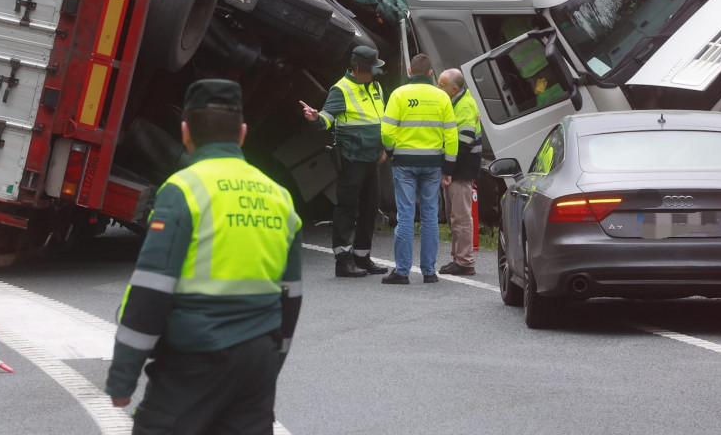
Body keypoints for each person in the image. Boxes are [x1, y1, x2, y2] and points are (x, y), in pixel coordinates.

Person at [105, 79, 303, 435]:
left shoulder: (183, 190)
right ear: (242, 133)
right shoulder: (280, 197)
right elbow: (291, 296)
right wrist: (274, 359)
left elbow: (151, 289)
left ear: (185, 132)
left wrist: (123, 377)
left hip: (194, 358)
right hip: (257, 363)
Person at [299, 44, 389, 278]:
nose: (375, 73)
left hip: (373, 158)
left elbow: (383, 120)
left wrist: (385, 148)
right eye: (372, 69)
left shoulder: (376, 87)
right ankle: (343, 260)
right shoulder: (341, 89)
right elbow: (329, 117)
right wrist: (316, 117)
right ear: (358, 67)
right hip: (352, 158)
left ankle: (362, 257)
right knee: (347, 208)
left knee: (369, 209)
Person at [379, 54, 457, 284]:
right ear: (431, 73)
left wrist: (392, 150)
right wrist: (449, 167)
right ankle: (429, 272)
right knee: (430, 216)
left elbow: (386, 131)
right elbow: (451, 136)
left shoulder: (399, 94)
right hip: (432, 164)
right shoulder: (442, 98)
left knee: (405, 216)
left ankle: (402, 272)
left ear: (410, 72)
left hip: (404, 163)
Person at [437, 68, 482, 276]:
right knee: (454, 216)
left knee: (461, 217)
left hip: (461, 169)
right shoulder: (456, 102)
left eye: (441, 85)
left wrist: (447, 164)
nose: (438, 88)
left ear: (454, 88)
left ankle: (464, 261)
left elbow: (463, 142)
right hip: (456, 168)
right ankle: (458, 259)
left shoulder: (465, 106)